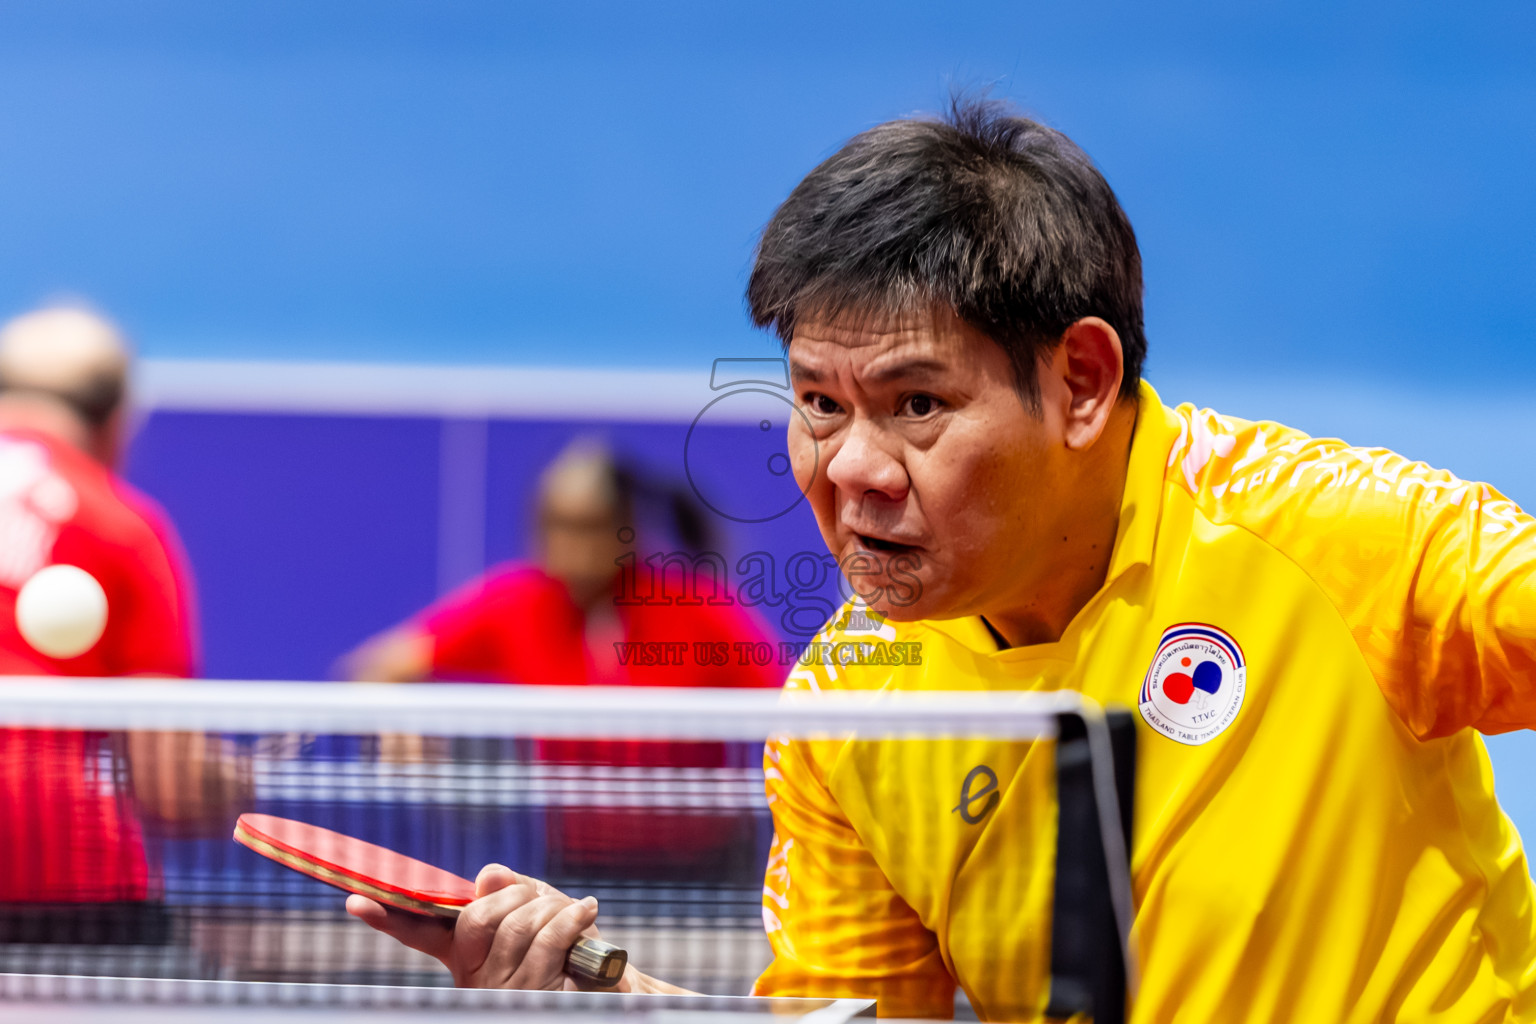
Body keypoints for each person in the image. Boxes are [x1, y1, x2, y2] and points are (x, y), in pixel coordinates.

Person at [350, 98, 1536, 1020]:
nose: (850, 465)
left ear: (1080, 382)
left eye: (915, 404)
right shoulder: (847, 709)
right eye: (817, 402)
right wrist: (595, 989)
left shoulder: (1334, 535)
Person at [342, 438, 781, 875]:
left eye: (585, 525)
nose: (566, 544)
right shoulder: (515, 602)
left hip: (702, 869)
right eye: (553, 524)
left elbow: (789, 710)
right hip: (575, 867)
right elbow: (376, 667)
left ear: (624, 527)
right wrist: (393, 715)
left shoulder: (697, 609)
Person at [0, 306, 225, 938]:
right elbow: (170, 785)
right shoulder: (121, 524)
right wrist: (232, 778)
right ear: (116, 422)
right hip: (57, 873)